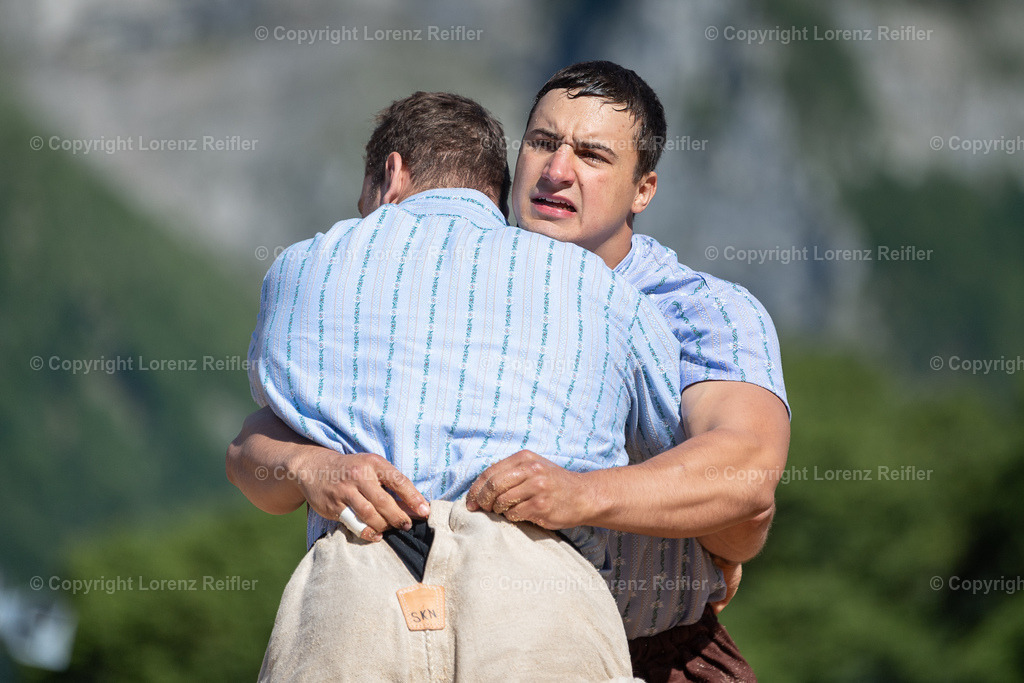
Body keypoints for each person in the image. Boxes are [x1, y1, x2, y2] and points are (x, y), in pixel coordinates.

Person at [230, 62, 792, 681]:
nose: (558, 171)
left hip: (654, 647)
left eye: (593, 155)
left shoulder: (700, 310)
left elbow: (745, 474)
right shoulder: (447, 268)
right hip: (439, 624)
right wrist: (311, 465)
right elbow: (273, 429)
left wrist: (581, 492)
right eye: (544, 143)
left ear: (643, 189)